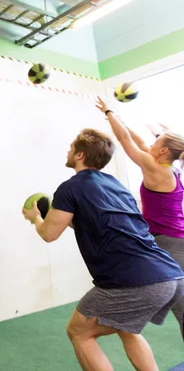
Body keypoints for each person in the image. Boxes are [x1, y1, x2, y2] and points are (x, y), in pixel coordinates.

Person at [21, 127, 184, 371]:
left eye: (71, 147)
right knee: (126, 328)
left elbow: (49, 234)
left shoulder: (70, 188)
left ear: (79, 155)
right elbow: (99, 224)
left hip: (132, 280)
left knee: (78, 332)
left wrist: (35, 218)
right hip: (168, 275)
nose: (68, 150)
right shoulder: (116, 186)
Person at [95, 96, 184, 340]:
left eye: (157, 142)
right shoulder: (167, 168)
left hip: (170, 244)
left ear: (164, 150)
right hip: (173, 240)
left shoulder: (154, 167)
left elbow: (124, 140)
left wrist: (110, 112)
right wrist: (116, 117)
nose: (151, 144)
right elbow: (138, 140)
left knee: (183, 309)